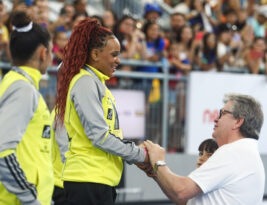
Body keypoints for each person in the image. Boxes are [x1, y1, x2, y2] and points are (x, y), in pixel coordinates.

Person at [54, 18, 149, 205]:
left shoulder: (95, 82)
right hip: (88, 182)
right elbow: (99, 136)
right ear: (95, 54)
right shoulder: (85, 82)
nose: (118, 60)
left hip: (97, 181)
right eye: (114, 54)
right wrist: (140, 155)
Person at [142, 93, 265, 205]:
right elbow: (186, 200)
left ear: (238, 121)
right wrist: (156, 172)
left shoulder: (234, 152)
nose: (216, 119)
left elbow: (180, 192)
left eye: (223, 114)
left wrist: (158, 161)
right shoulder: (245, 154)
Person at [0, 11, 53, 205]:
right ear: (42, 53)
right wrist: (31, 199)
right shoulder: (21, 88)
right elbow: (2, 151)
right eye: (51, 50)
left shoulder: (19, 84)